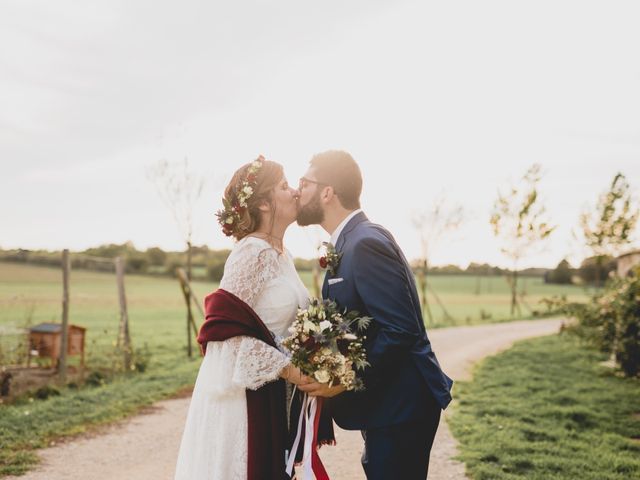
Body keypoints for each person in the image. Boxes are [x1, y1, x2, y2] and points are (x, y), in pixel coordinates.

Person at [296, 150, 453, 479]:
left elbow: (400, 329)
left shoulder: (364, 243)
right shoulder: (352, 241)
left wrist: (344, 379)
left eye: (304, 183)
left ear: (327, 192)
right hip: (391, 404)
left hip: (403, 406)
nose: (298, 192)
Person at [174, 156, 324, 480]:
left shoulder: (283, 255)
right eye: (284, 186)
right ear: (264, 204)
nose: (296, 192)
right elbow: (225, 337)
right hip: (244, 405)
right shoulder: (250, 253)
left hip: (274, 397)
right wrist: (291, 370)